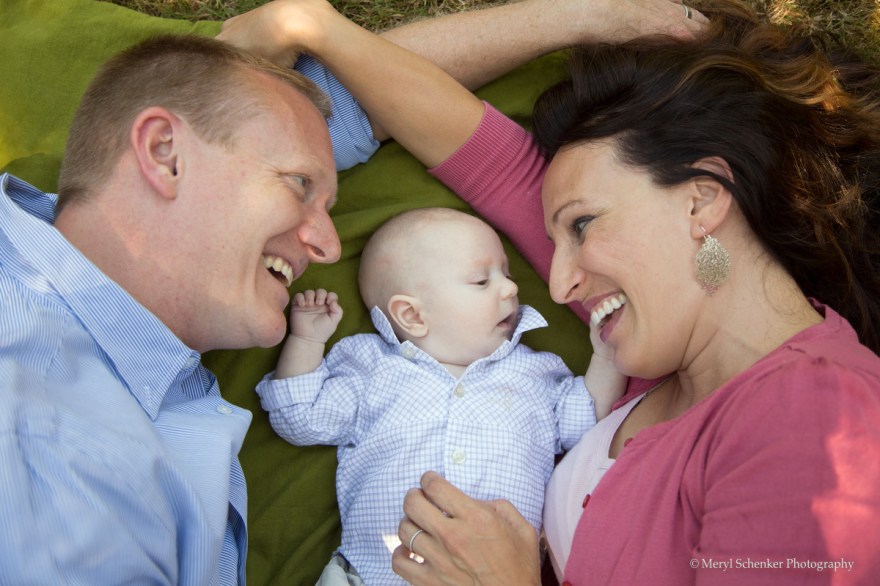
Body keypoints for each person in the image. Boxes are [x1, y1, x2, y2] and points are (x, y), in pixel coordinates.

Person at [220, 0, 880, 583]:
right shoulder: (659, 348)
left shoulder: (818, 415)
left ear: (703, 202)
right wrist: (316, 27)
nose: (558, 283)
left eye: (583, 225)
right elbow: (471, 146)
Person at [0, 34, 342, 583]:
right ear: (164, 153)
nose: (331, 247)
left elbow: (336, 121)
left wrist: (318, 28)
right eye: (301, 185)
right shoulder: (57, 464)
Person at [256, 207, 625, 585]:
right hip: (370, 575)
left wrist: (609, 354)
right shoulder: (372, 368)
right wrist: (306, 340)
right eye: (482, 280)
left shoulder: (536, 373)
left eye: (507, 274)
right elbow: (300, 418)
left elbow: (587, 424)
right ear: (412, 316)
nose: (512, 288)